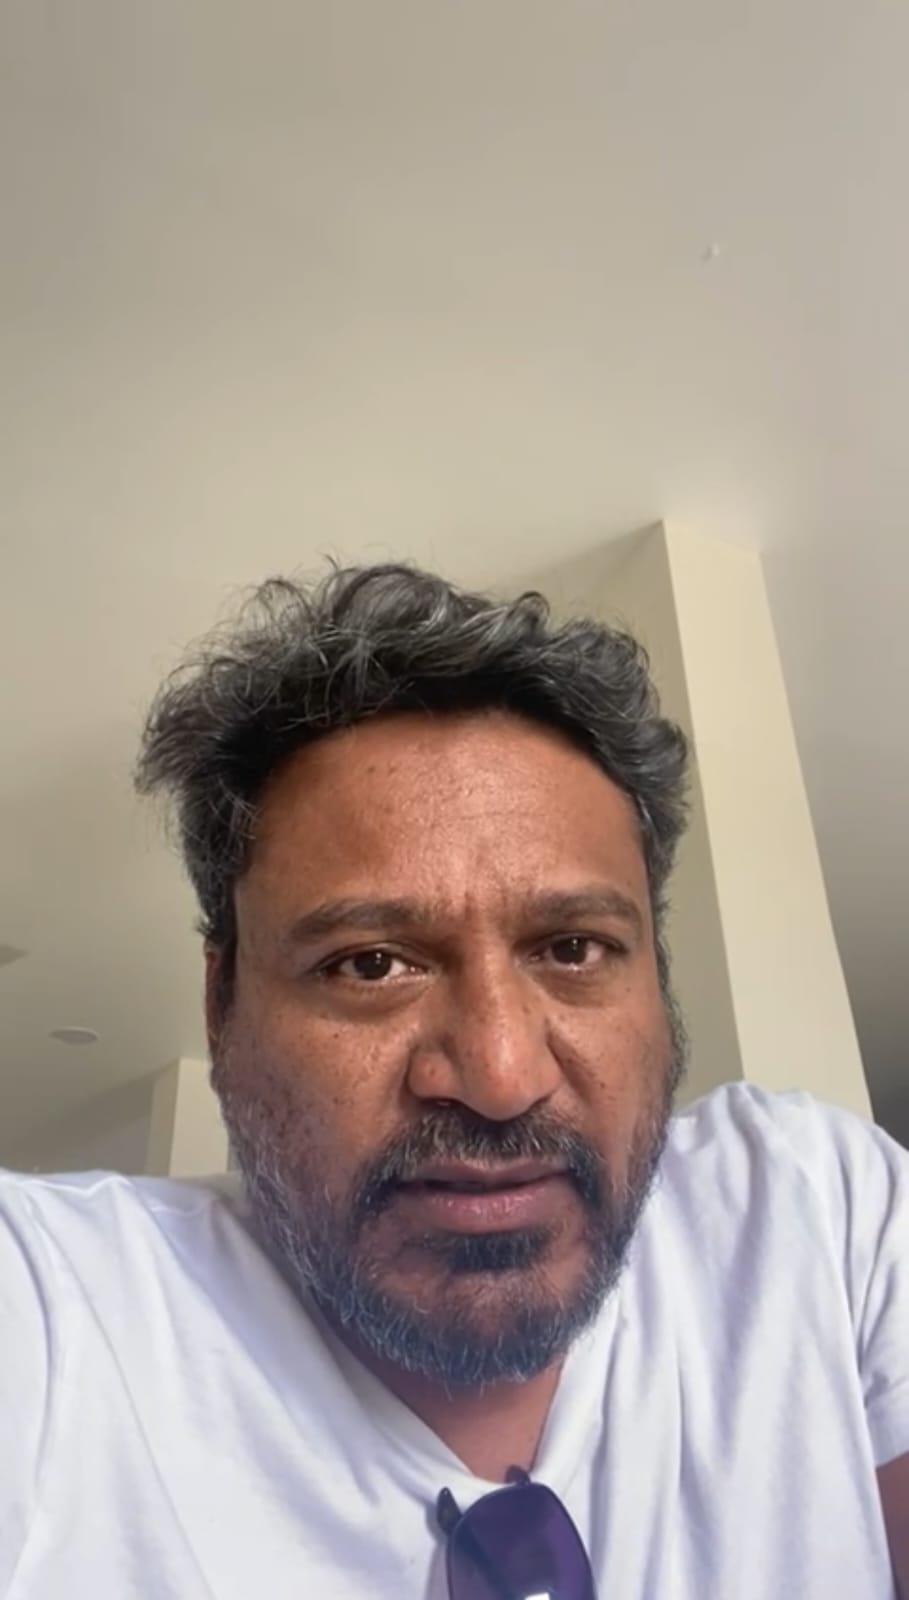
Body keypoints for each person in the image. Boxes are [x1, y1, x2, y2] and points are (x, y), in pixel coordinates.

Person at [1, 563, 906, 1600]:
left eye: (572, 947)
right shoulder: (54, 1319)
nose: (501, 1077)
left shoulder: (812, 1219)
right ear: (223, 1008)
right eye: (370, 964)